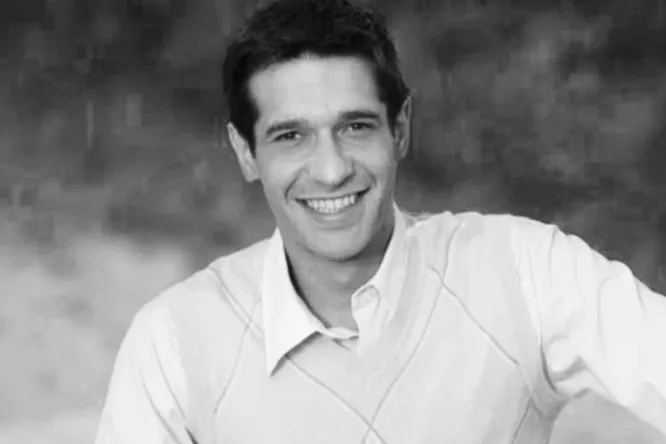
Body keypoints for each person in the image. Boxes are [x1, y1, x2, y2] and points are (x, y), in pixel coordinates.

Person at [95, 0, 666, 442]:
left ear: (400, 129)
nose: (331, 169)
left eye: (356, 127)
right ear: (246, 152)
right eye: (291, 136)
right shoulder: (176, 341)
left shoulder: (523, 273)